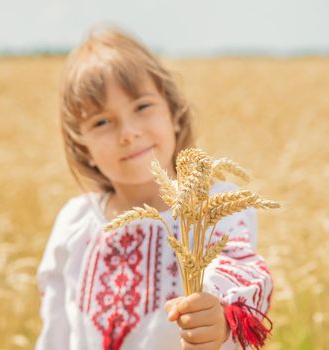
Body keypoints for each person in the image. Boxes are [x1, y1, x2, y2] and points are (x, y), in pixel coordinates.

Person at [35, 26, 273, 350]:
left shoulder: (213, 209)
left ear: (173, 112)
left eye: (142, 107)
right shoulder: (73, 223)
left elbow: (239, 271)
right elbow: (56, 333)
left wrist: (218, 320)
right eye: (101, 122)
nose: (128, 133)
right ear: (82, 147)